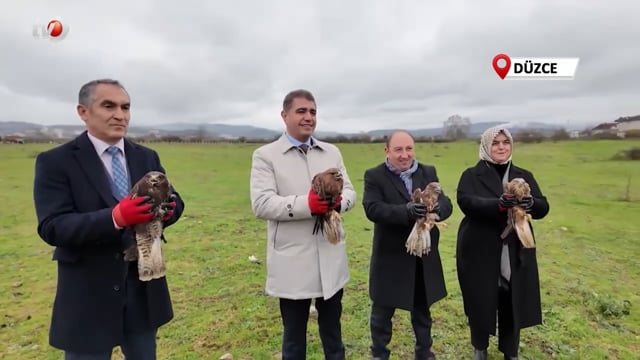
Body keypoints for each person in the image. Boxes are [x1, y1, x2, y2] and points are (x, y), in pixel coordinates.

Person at [32, 79, 185, 360]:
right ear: (83, 111)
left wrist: (170, 210)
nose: (120, 114)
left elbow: (173, 198)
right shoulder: (55, 162)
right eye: (108, 106)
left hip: (141, 287)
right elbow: (53, 226)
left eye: (126, 107)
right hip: (88, 293)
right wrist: (115, 217)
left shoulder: (146, 156)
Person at [249, 89, 357, 360]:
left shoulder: (331, 152)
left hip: (330, 258)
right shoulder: (266, 155)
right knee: (294, 339)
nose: (309, 117)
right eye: (301, 111)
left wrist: (337, 204)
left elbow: (351, 192)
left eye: (313, 112)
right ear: (284, 115)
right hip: (293, 262)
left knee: (333, 335)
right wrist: (306, 205)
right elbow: (261, 203)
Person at [455, 126, 550, 360]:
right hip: (479, 248)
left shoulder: (523, 174)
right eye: (495, 143)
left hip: (516, 247)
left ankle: (511, 351)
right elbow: (466, 201)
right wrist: (498, 204)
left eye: (505, 143)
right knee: (480, 298)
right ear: (486, 146)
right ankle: (480, 347)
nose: (501, 147)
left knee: (512, 299)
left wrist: (529, 203)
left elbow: (543, 206)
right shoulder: (471, 174)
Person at [361, 130, 453, 360]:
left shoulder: (427, 171)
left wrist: (439, 210)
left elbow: (445, 201)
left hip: (422, 256)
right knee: (382, 313)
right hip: (390, 256)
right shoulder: (375, 175)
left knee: (422, 311)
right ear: (387, 151)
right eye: (398, 149)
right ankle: (379, 354)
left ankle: (424, 353)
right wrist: (405, 211)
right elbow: (372, 208)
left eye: (409, 149)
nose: (404, 155)